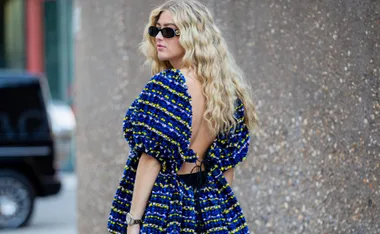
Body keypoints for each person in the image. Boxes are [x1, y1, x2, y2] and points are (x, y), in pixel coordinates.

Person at [108, 0, 258, 233]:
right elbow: (227, 165)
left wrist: (134, 222)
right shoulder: (227, 92)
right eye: (155, 29)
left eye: (169, 31)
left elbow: (151, 160)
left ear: (192, 36)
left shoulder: (167, 86)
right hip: (208, 207)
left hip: (166, 207)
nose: (158, 36)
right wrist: (217, 216)